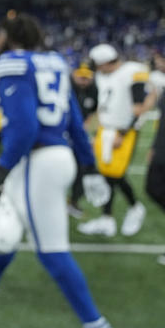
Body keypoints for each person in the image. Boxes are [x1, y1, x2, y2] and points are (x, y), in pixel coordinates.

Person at [0, 13, 129, 328]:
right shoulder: (55, 62)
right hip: (54, 157)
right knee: (7, 230)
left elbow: (25, 126)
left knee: (53, 252)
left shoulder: (12, 63)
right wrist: (87, 164)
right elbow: (73, 118)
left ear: (8, 36)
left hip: (35, 160)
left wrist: (1, 169)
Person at [77, 44, 149, 237]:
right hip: (105, 130)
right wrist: (95, 132)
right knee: (106, 174)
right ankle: (107, 219)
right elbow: (103, 105)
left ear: (106, 62)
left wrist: (123, 133)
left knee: (115, 175)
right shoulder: (102, 76)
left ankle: (135, 207)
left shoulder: (132, 71)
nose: (96, 69)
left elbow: (139, 106)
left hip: (122, 131)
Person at [146, 50, 165, 267]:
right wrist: (154, 147)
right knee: (152, 188)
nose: (162, 66)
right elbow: (164, 121)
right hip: (163, 151)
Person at [68, 62, 99, 218]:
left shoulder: (94, 90)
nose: (83, 80)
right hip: (64, 133)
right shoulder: (66, 87)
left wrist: (86, 128)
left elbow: (95, 112)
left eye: (86, 78)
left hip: (81, 135)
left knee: (81, 169)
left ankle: (74, 202)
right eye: (80, 77)